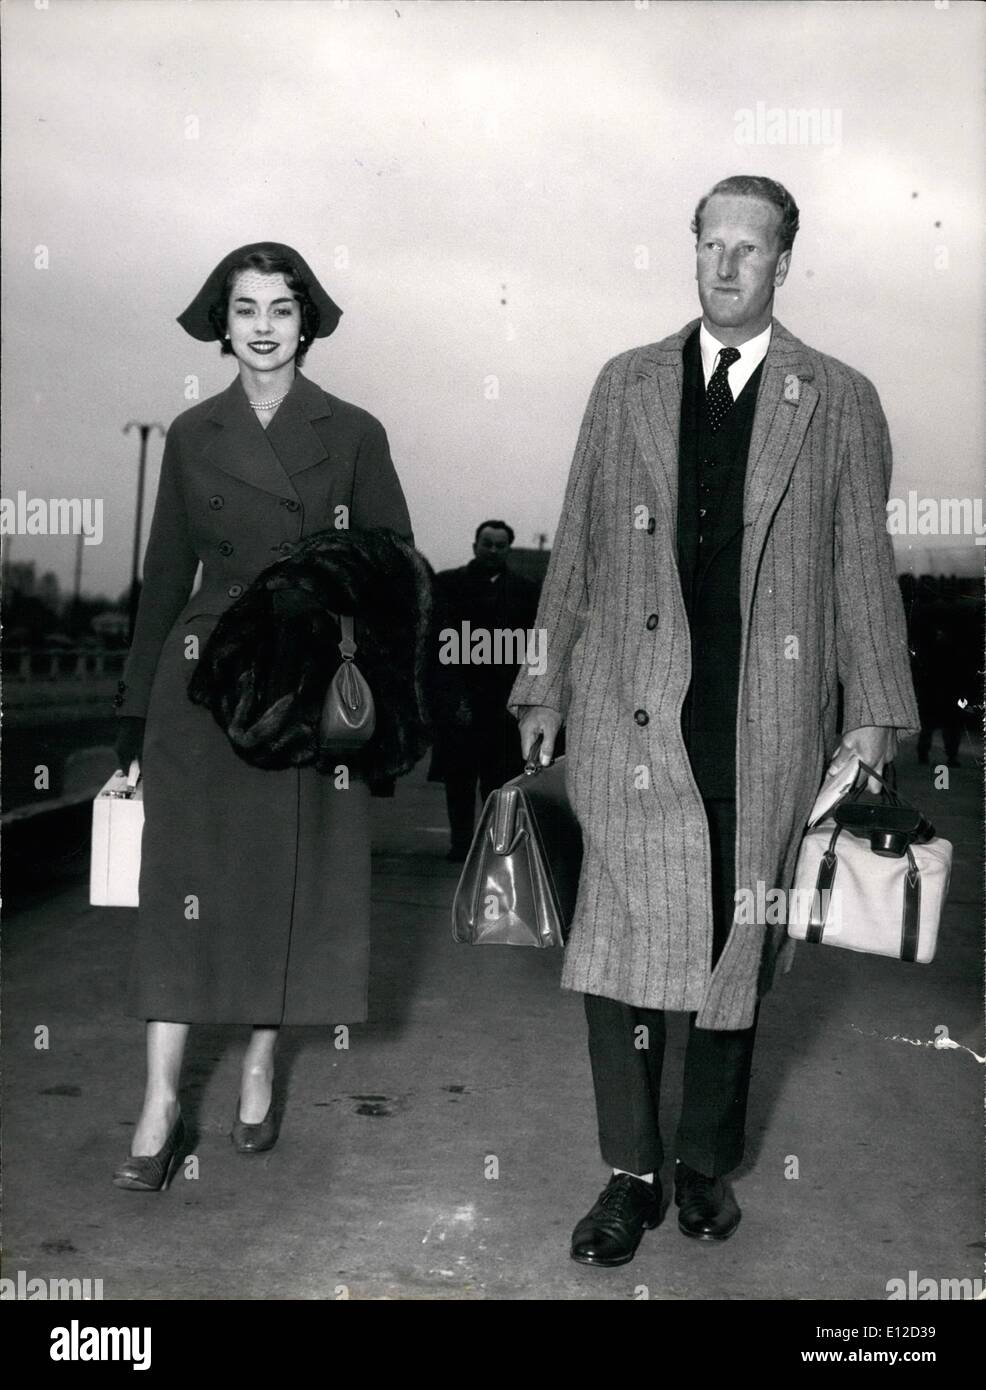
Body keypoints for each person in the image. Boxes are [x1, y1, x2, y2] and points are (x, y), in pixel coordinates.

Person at [509, 177, 919, 1265]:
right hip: (629, 709)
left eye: (750, 249)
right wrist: (542, 683)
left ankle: (701, 1162)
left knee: (738, 942)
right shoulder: (625, 383)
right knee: (621, 942)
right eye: (710, 245)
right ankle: (628, 1175)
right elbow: (577, 543)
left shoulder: (835, 397)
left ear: (784, 262)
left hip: (763, 715)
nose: (726, 266)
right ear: (689, 253)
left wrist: (874, 708)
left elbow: (858, 564)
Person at [111, 242, 414, 1189]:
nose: (264, 328)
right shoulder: (193, 432)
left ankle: (257, 1061)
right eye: (246, 309)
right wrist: (131, 720)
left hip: (301, 682)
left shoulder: (355, 432)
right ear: (221, 323)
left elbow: (395, 561)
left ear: (307, 322)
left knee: (282, 886)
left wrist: (321, 590)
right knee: (181, 883)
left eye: (283, 309)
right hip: (203, 679)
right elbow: (164, 579)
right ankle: (159, 1102)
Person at [430, 521, 539, 860]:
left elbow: (535, 647)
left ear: (509, 548)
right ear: (475, 544)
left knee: (500, 779)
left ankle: (495, 847)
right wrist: (447, 695)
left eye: (500, 545)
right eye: (487, 543)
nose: (493, 550)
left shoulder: (526, 590)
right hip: (459, 696)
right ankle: (460, 845)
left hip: (503, 702)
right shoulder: (447, 585)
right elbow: (434, 645)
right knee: (459, 779)